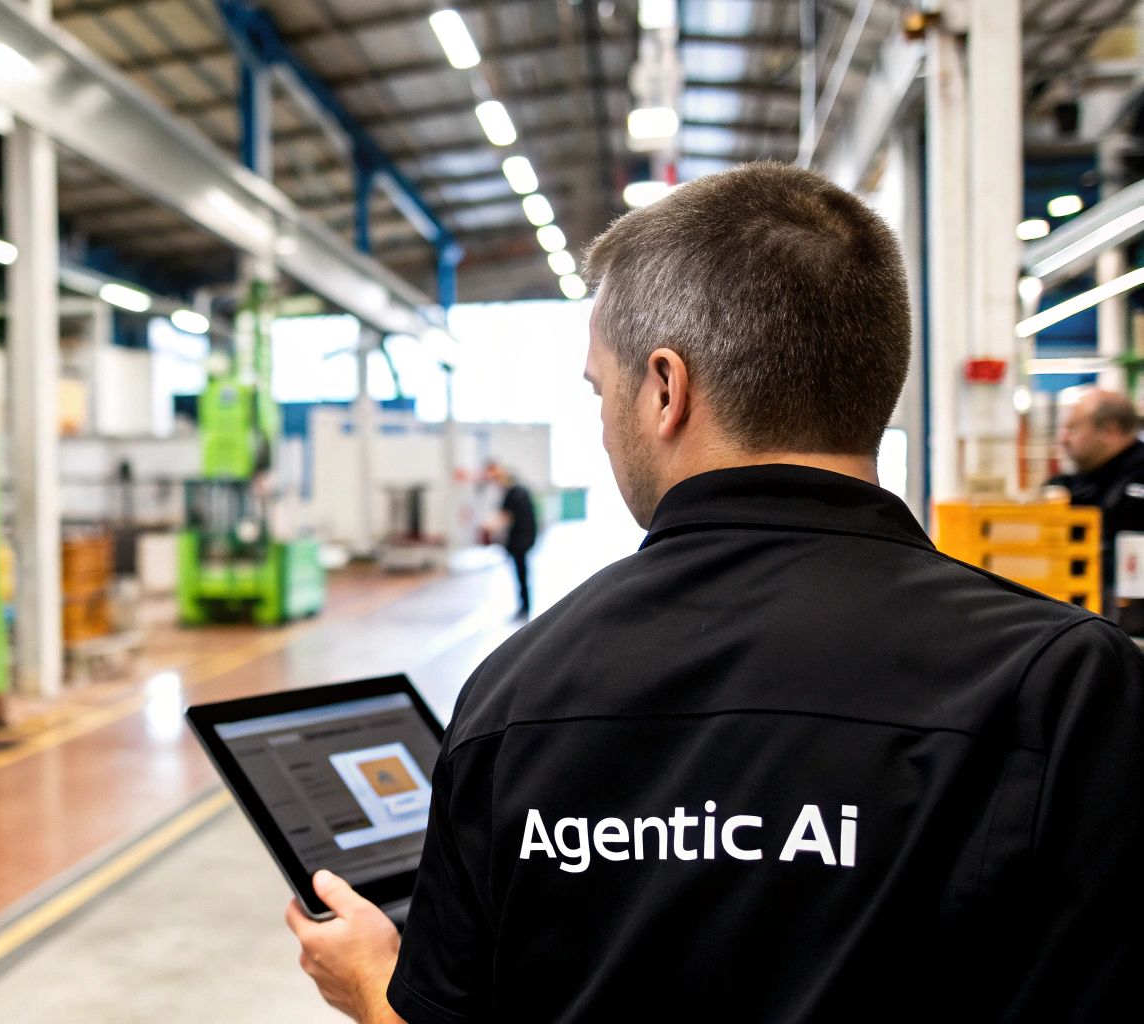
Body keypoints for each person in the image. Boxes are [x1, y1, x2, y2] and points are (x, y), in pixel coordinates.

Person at [286, 164, 1144, 1021]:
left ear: (666, 389)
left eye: (600, 389)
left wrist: (368, 984)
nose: (601, 421)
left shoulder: (517, 692)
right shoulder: (1069, 684)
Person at [1046, 388, 1144, 629]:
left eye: (1073, 428)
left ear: (1110, 431)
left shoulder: (1135, 480)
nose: (1064, 439)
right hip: (1086, 618)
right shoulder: (1082, 481)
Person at [484, 461, 538, 619]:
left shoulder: (512, 494)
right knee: (522, 573)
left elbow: (505, 517)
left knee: (521, 574)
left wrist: (489, 528)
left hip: (519, 540)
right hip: (525, 538)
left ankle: (524, 607)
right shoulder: (521, 492)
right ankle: (524, 605)